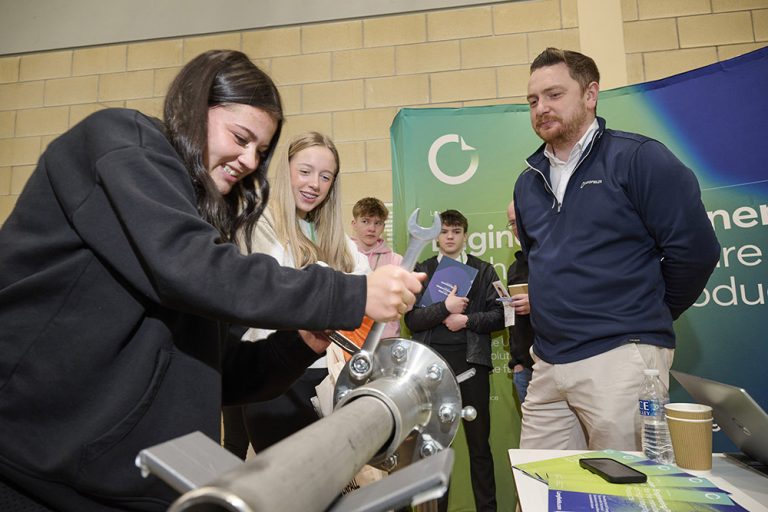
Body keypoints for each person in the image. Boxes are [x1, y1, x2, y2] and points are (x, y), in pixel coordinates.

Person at [0, 50, 423, 512]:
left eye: (260, 151)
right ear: (193, 106)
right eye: (240, 137)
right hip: (32, 470)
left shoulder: (203, 226)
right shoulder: (121, 143)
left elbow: (222, 373)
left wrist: (298, 344)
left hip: (137, 488)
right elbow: (190, 267)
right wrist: (352, 292)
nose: (247, 160)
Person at [513, 47, 720, 452]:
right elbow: (537, 262)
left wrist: (640, 317)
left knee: (627, 492)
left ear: (590, 94)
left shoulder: (638, 158)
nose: (541, 108)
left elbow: (696, 252)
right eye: (533, 100)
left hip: (621, 360)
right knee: (540, 491)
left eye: (554, 94)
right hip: (549, 364)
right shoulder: (527, 183)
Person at [235, 131, 370, 455]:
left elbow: (363, 274)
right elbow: (277, 289)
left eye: (326, 177)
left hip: (327, 375)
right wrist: (336, 284)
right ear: (287, 169)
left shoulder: (332, 234)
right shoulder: (259, 223)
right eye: (305, 171)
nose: (314, 184)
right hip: (273, 378)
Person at [404, 209, 504, 512]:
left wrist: (467, 320)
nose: (450, 236)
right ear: (436, 236)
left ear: (464, 235)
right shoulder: (422, 269)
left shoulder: (484, 270)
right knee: (433, 450)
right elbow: (412, 319)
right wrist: (444, 308)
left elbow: (501, 315)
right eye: (445, 231)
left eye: (456, 231)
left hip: (472, 367)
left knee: (479, 448)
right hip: (432, 370)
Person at [350, 197, 403, 338]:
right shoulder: (341, 256)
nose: (372, 228)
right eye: (365, 221)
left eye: (377, 223)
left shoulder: (396, 260)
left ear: (383, 227)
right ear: (354, 224)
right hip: (349, 338)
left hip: (385, 339)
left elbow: (403, 304)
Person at [504, 200, 533, 404]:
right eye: (512, 223)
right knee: (534, 436)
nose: (517, 228)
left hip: (560, 364)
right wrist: (517, 362)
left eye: (520, 220)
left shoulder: (559, 257)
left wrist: (538, 303)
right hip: (525, 369)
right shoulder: (514, 268)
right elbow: (511, 319)